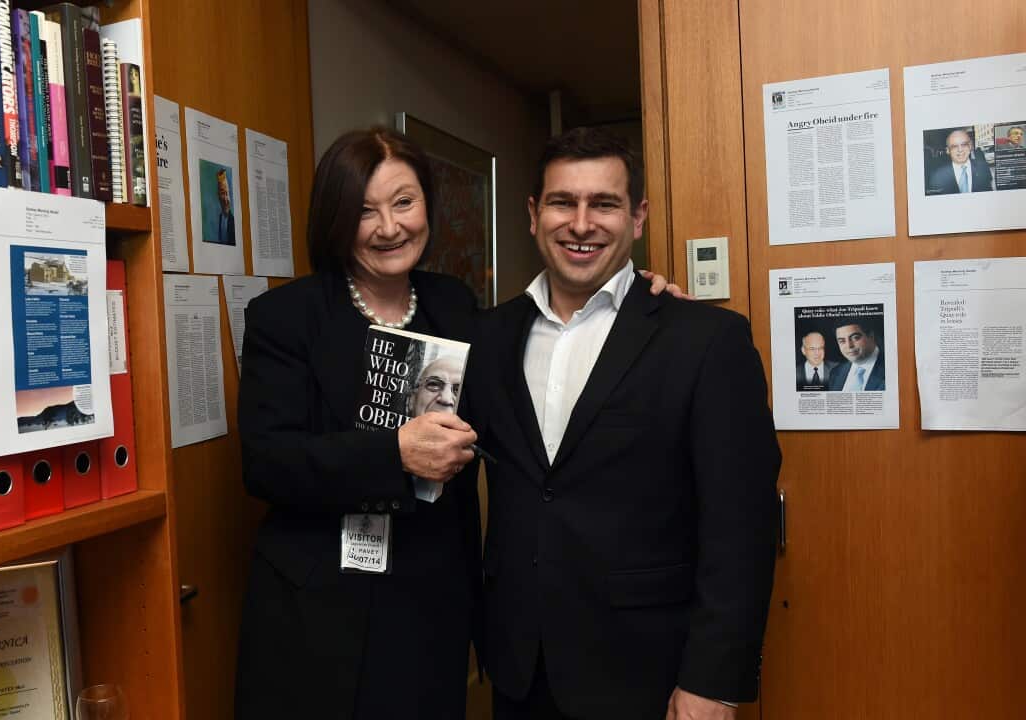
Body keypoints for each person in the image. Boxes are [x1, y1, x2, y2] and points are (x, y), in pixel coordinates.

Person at [233, 127, 678, 720]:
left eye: (404, 203)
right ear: (336, 219)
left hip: (430, 601)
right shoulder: (287, 318)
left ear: (427, 208)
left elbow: (530, 396)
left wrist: (639, 301)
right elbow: (266, 462)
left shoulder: (459, 308)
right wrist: (393, 455)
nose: (389, 228)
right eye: (365, 211)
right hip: (317, 609)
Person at [469, 127, 780, 719]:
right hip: (519, 672)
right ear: (534, 214)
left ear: (637, 218)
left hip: (650, 677)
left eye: (604, 204)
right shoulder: (487, 337)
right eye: (563, 202)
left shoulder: (706, 342)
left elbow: (741, 528)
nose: (581, 224)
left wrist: (714, 682)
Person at [926, 129, 993, 194]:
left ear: (970, 146)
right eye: (954, 146)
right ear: (948, 150)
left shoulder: (983, 168)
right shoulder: (937, 177)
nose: (960, 150)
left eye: (964, 144)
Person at [827, 321, 885, 391]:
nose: (849, 346)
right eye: (842, 341)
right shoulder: (835, 372)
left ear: (871, 336)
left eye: (855, 338)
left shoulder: (891, 368)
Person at [213, 169, 237, 245]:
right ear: (218, 195)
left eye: (227, 193)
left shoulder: (233, 221)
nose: (226, 199)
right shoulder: (219, 218)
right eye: (223, 193)